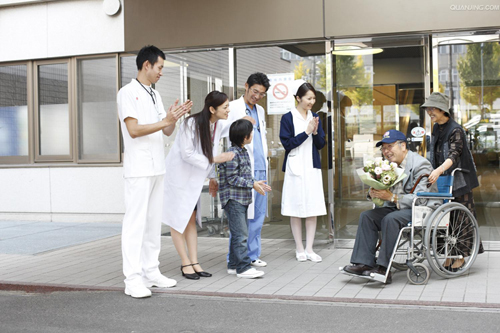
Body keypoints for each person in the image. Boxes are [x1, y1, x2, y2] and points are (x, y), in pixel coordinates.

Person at [117, 45, 192, 298]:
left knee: (151, 224)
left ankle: (151, 271)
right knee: (135, 224)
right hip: (138, 169)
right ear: (146, 65)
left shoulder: (154, 94)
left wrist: (175, 117)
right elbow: (134, 130)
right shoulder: (127, 92)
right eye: (159, 67)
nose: (161, 72)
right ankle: (132, 279)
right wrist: (165, 121)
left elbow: (166, 130)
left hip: (157, 166)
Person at [343, 130, 440, 284]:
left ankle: (383, 268)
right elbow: (386, 193)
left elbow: (422, 198)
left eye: (389, 147)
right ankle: (363, 263)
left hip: (421, 210)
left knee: (390, 218)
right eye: (383, 148)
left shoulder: (421, 164)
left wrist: (392, 197)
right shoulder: (389, 166)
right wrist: (375, 192)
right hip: (397, 207)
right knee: (367, 216)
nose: (386, 152)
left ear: (403, 146)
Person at [162, 91, 235, 280]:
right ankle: (185, 262)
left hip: (193, 179)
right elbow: (187, 154)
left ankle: (194, 261)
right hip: (178, 178)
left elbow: (208, 150)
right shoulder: (190, 123)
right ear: (212, 109)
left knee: (191, 219)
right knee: (178, 219)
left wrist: (212, 176)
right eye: (225, 107)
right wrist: (215, 160)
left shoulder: (216, 125)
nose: (228, 110)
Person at [423, 92, 484, 271]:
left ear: (442, 110)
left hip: (459, 179)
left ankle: (461, 256)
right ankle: (449, 255)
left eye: (432, 109)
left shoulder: (456, 129)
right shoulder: (436, 128)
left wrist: (439, 169)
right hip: (443, 179)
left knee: (461, 218)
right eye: (428, 109)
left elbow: (454, 154)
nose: (429, 112)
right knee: (445, 219)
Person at [220, 73, 271, 268]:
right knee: (240, 218)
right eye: (255, 91)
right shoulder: (232, 107)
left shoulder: (260, 110)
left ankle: (253, 254)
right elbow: (220, 131)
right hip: (242, 169)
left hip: (260, 168)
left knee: (258, 215)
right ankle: (235, 259)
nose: (257, 96)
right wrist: (238, 121)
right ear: (246, 86)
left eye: (261, 94)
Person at [279, 80, 327, 262]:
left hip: (312, 167)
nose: (311, 101)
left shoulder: (315, 117)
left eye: (313, 98)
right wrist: (306, 132)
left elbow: (321, 144)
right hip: (295, 167)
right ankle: (299, 248)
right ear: (298, 98)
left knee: (312, 208)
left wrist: (315, 133)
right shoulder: (288, 118)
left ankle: (310, 249)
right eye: (308, 98)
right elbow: (287, 144)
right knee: (296, 208)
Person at [218, 119, 272, 278]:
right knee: (241, 235)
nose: (252, 135)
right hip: (233, 200)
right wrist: (252, 184)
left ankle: (233, 265)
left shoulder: (242, 151)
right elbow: (232, 178)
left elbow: (243, 175)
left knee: (238, 234)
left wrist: (255, 182)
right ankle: (243, 268)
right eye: (250, 132)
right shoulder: (232, 154)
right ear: (244, 136)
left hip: (240, 199)